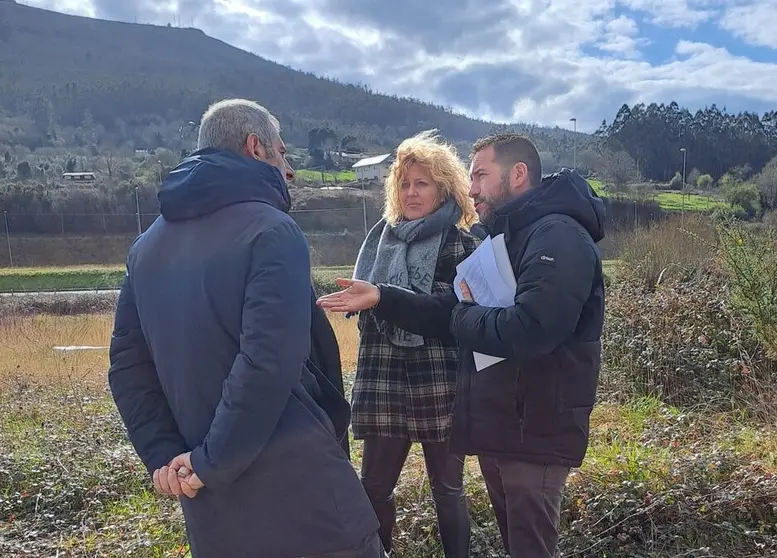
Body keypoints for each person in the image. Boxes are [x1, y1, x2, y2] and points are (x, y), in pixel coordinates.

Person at [107, 98, 381, 558]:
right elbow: (267, 362)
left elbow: (128, 367)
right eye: (282, 151)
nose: (289, 169)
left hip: (210, 503)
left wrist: (165, 456)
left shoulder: (146, 247)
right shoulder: (272, 230)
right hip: (300, 490)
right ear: (255, 148)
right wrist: (212, 460)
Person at [318, 133, 606, 558]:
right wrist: (383, 296)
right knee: (519, 543)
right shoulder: (509, 237)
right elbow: (451, 306)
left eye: (481, 175)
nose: (471, 189)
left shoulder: (556, 237)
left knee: (527, 543)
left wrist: (460, 316)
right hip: (507, 423)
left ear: (518, 174)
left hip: (536, 425)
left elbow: (531, 329)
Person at [345, 130, 480, 557]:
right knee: (374, 489)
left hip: (438, 379)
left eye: (421, 183)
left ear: (444, 188)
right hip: (383, 375)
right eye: (404, 184)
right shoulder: (379, 240)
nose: (411, 192)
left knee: (448, 488)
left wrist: (383, 297)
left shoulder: (461, 242)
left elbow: (451, 309)